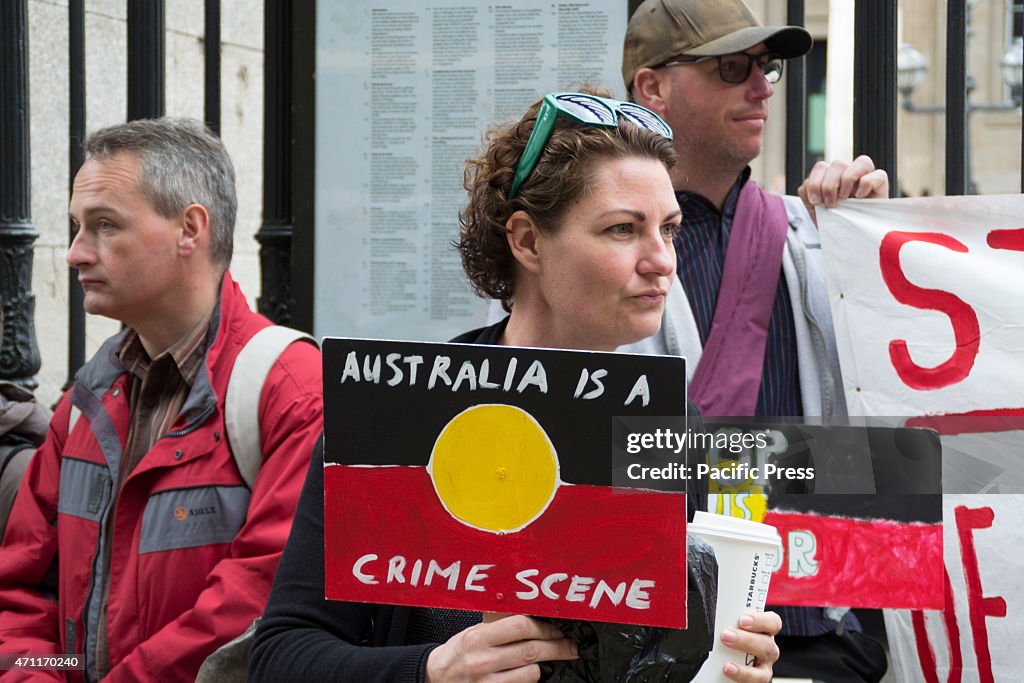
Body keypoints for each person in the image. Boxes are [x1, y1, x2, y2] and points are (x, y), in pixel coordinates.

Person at [250, 89, 781, 682]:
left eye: (670, 229)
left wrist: (729, 660)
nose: (662, 260)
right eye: (623, 229)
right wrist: (429, 672)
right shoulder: (395, 411)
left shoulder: (670, 424)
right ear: (527, 241)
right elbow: (281, 655)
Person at [620, 1, 889, 681]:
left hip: (817, 619)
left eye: (764, 67)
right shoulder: (595, 251)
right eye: (732, 67)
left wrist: (878, 239)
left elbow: (898, 390)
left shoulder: (818, 232)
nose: (763, 86)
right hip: (661, 631)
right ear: (652, 87)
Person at [0, 118, 323, 682]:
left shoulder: (291, 390)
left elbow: (254, 601)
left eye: (104, 225)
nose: (76, 253)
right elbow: (22, 591)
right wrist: (42, 676)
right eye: (77, 226)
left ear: (190, 229)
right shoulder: (86, 399)